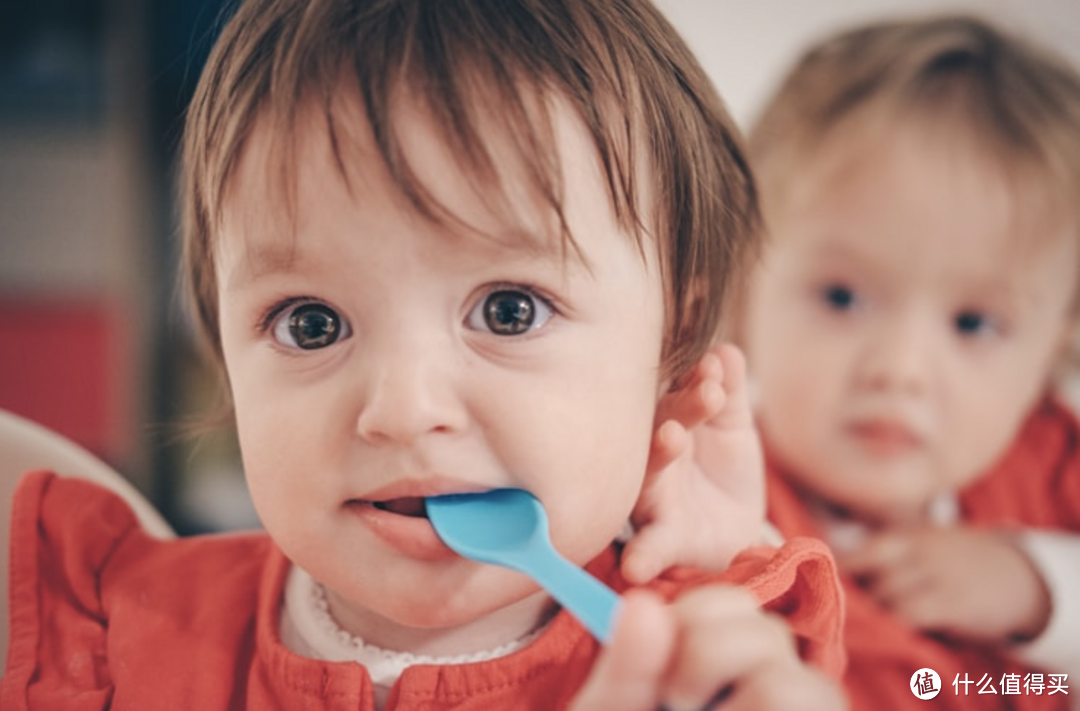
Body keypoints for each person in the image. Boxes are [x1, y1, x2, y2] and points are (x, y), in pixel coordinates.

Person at [1, 1, 847, 709]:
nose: (404, 409)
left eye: (509, 312)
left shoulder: (709, 668)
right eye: (311, 323)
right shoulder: (112, 630)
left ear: (672, 349)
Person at [734, 13, 1080, 711]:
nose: (901, 369)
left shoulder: (1052, 468)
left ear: (1057, 346)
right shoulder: (722, 507)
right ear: (741, 285)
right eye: (842, 296)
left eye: (974, 322)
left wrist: (1040, 588)